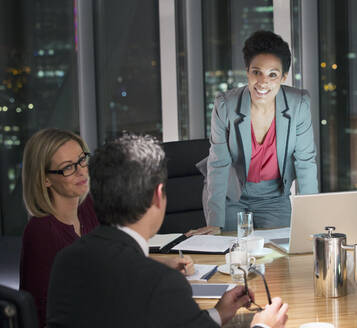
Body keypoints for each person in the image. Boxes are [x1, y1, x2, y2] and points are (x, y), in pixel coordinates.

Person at [47, 133, 289, 328]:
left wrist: (217, 314)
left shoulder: (65, 261)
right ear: (158, 196)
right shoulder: (162, 283)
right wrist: (263, 327)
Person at [202, 30, 318, 231]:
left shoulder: (299, 104)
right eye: (256, 72)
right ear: (247, 71)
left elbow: (306, 163)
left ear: (283, 77)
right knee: (230, 252)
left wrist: (312, 220)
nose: (263, 82)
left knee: (282, 254)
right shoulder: (225, 106)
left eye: (272, 74)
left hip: (275, 197)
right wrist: (215, 223)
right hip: (231, 195)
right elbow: (218, 164)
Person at [19, 128, 100, 327]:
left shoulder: (87, 206)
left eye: (82, 160)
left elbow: (115, 255)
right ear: (45, 179)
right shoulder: (42, 233)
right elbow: (46, 316)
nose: (81, 171)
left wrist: (162, 267)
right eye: (68, 167)